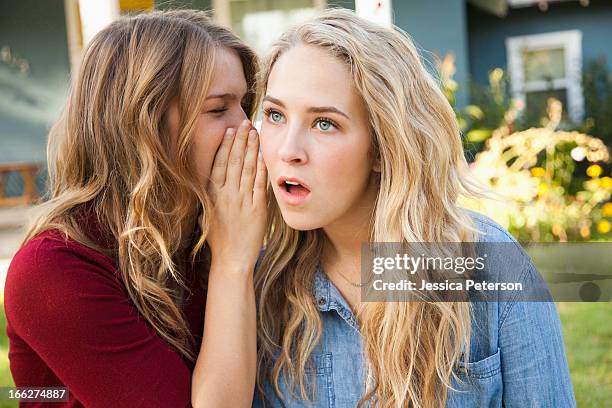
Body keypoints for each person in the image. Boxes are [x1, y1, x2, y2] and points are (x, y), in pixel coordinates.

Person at [253, 9, 575, 408]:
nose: (287, 151)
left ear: (383, 146)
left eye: (325, 124)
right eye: (275, 115)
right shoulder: (264, 289)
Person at [4, 10, 266, 407]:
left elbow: (384, 279)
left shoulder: (208, 225)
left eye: (246, 105)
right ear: (142, 126)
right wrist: (233, 263)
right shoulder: (55, 270)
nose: (248, 128)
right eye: (218, 109)